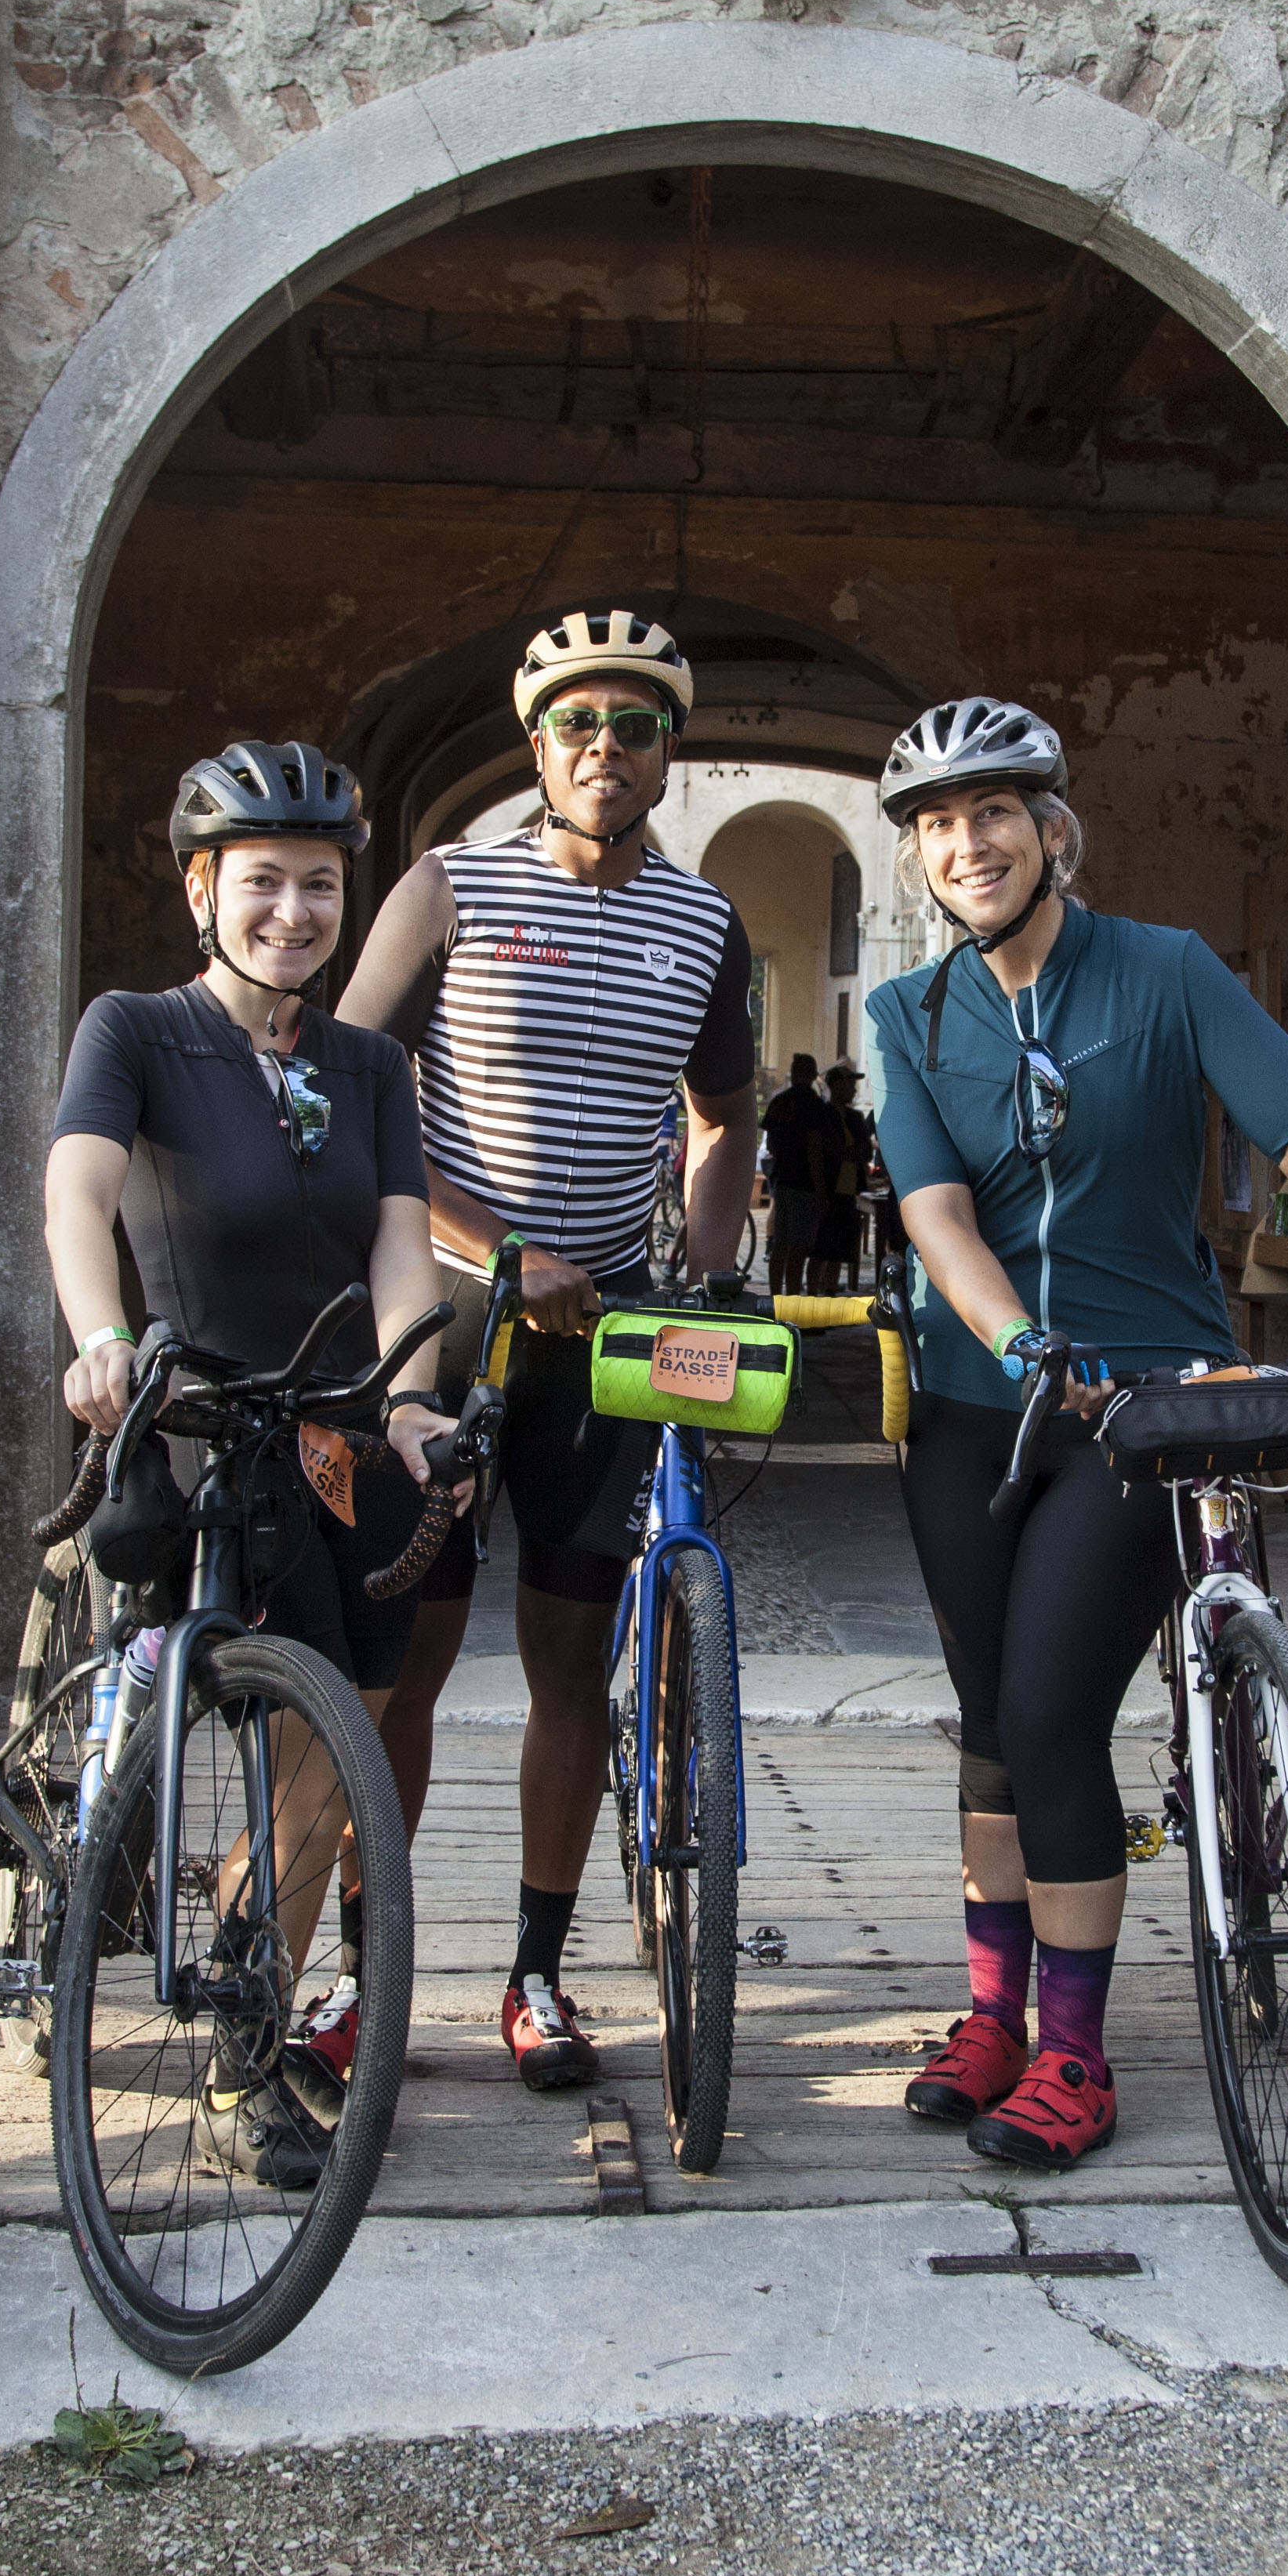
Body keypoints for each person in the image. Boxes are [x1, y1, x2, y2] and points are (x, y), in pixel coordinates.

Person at [860, 696, 1288, 2172]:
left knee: (1052, 1714)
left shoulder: (1167, 973)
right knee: (992, 1725)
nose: (968, 844)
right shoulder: (907, 1015)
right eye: (938, 825)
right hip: (978, 1409)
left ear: (1054, 828)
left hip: (1144, 1409)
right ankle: (991, 2018)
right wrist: (1018, 1343)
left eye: (995, 812)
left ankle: (1076, 2056)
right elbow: (937, 1217)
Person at [337, 610, 761, 2095]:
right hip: (450, 1316)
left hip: (609, 1330)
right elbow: (354, 1088)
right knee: (407, 1659)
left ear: (668, 751)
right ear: (536, 745)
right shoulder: (449, 884)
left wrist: (708, 1267)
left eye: (635, 725)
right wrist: (495, 1245)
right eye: (577, 723)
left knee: (572, 1659)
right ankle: (368, 1977)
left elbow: (724, 1117)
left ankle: (535, 1972)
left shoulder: (704, 923)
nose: (604, 748)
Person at [43, 738, 464, 2190]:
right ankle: (242, 2057)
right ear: (201, 889)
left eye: (321, 884)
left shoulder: (370, 1064)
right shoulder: (137, 1032)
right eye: (264, 881)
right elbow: (79, 1190)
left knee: (343, 1752)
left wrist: (413, 1399)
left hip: (346, 1430)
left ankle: (255, 1991)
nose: (294, 910)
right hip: (206, 1425)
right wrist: (101, 1335)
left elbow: (399, 1244)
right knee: (305, 1736)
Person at [760, 1052, 836, 1295]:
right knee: (798, 1248)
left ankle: (774, 1298)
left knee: (780, 1245)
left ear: (793, 1073)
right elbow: (814, 1148)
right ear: (814, 1075)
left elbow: (771, 1145)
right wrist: (821, 1190)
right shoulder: (815, 1105)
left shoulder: (779, 1102)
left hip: (782, 1181)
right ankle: (793, 1301)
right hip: (805, 1184)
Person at [813, 1061, 875, 1292]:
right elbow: (827, 1150)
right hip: (828, 1189)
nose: (854, 1090)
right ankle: (812, 1295)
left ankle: (829, 1293)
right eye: (850, 1084)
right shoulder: (822, 1115)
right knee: (821, 1249)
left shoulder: (855, 1117)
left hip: (849, 1191)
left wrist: (848, 1152)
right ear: (836, 1085)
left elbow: (864, 1151)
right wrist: (848, 1152)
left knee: (838, 1249)